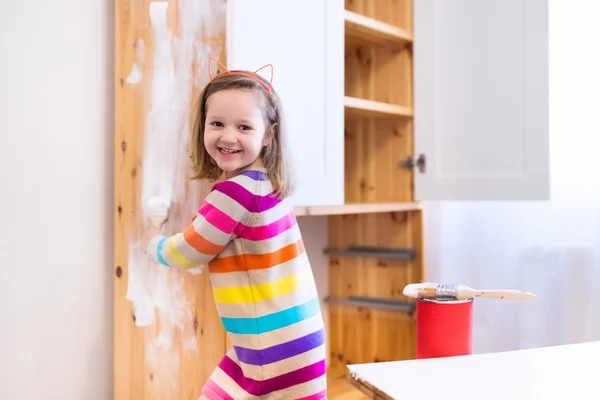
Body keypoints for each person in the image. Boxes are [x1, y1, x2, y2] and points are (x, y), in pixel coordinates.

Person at [141, 59, 327, 400]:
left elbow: (190, 249)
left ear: (268, 135)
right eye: (217, 123)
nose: (228, 136)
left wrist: (152, 243)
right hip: (292, 339)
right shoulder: (265, 185)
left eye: (244, 127)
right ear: (203, 127)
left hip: (269, 348)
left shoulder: (235, 193)